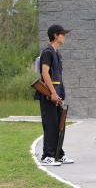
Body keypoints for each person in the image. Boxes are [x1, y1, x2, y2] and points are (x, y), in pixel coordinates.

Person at [34, 24, 74, 166]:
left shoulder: (56, 53)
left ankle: (58, 154)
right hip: (48, 94)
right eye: (62, 34)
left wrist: (59, 93)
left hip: (56, 93)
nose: (64, 37)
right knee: (50, 125)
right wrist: (52, 92)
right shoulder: (48, 52)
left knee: (59, 125)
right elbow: (45, 72)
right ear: (55, 36)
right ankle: (47, 157)